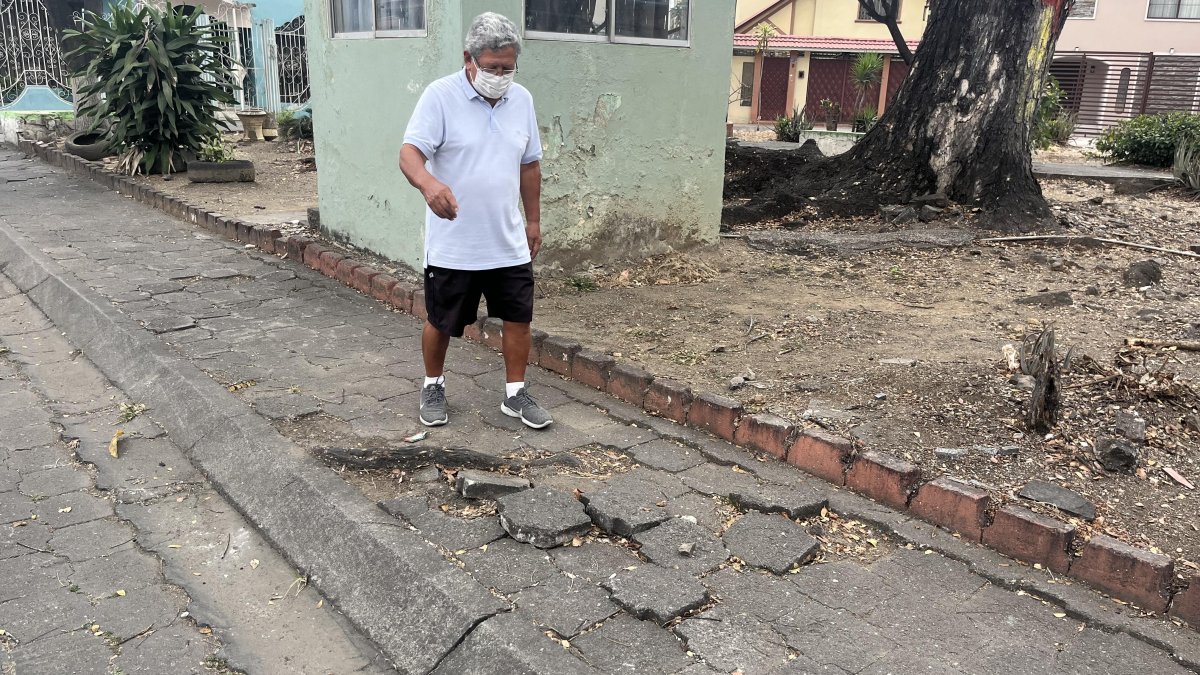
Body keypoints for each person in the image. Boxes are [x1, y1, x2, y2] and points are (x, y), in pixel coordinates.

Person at [399, 12, 552, 430]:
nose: (500, 76)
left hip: (506, 240)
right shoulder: (440, 96)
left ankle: (515, 395)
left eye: (507, 67)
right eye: (491, 68)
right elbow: (409, 153)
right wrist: (429, 185)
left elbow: (529, 165)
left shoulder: (521, 100)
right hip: (454, 241)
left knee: (519, 318)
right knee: (441, 321)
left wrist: (533, 221)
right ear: (468, 58)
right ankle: (433, 384)